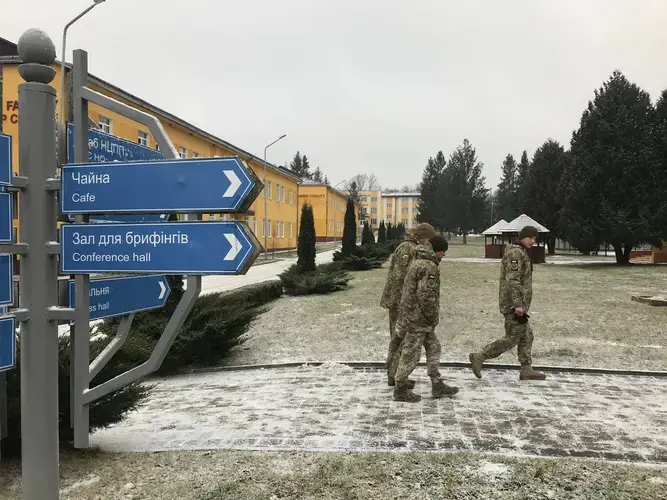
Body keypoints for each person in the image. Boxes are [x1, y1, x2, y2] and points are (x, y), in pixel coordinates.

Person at [469, 225, 546, 381]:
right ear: (523, 237)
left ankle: (526, 369)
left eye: (535, 238)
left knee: (527, 336)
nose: (533, 241)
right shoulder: (516, 253)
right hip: (513, 306)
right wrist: (518, 304)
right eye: (530, 237)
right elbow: (512, 280)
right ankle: (480, 356)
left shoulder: (521, 252)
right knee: (512, 337)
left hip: (518, 305)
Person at [393, 235, 459, 402]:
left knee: (434, 347)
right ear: (436, 250)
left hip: (416, 316)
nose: (444, 255)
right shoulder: (428, 266)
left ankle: (437, 384)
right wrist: (432, 316)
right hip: (418, 318)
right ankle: (400, 388)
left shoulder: (418, 261)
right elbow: (426, 295)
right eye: (443, 251)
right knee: (411, 353)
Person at [380, 223, 437, 388]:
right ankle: (395, 378)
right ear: (423, 237)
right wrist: (405, 303)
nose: (429, 243)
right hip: (399, 302)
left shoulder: (409, 247)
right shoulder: (407, 249)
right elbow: (401, 278)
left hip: (400, 301)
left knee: (399, 339)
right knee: (400, 339)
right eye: (429, 239)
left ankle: (395, 376)